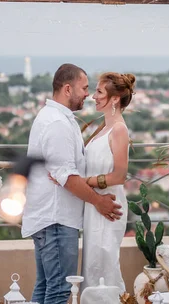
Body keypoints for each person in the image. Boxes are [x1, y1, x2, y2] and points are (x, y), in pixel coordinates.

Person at [21, 64, 123, 304]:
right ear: (68, 88)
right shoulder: (57, 123)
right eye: (84, 88)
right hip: (56, 219)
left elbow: (65, 172)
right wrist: (99, 202)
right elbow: (67, 177)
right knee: (58, 290)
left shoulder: (58, 118)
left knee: (46, 286)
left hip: (51, 219)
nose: (87, 94)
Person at [81, 72, 136, 293]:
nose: (93, 96)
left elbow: (120, 175)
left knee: (104, 265)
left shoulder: (119, 129)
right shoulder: (102, 129)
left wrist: (85, 182)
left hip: (108, 205)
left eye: (99, 92)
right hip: (94, 206)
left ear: (115, 99)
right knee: (93, 266)